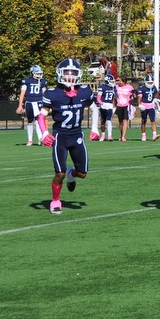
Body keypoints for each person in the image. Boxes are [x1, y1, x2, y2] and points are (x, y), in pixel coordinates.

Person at [36, 59, 97, 214]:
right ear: (59, 74)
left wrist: (95, 128)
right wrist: (44, 133)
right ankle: (56, 200)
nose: (70, 77)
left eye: (73, 73)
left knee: (82, 173)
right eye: (66, 73)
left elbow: (95, 109)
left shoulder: (84, 91)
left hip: (77, 135)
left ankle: (72, 174)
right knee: (59, 173)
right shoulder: (52, 93)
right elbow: (41, 115)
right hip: (60, 137)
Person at [17, 65, 47, 145]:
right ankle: (30, 140)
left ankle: (40, 138)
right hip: (29, 102)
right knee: (30, 121)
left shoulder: (43, 81)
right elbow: (22, 94)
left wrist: (47, 104)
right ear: (32, 73)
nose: (39, 75)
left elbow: (45, 94)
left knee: (38, 119)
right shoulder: (27, 81)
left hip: (39, 102)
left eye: (40, 73)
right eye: (37, 73)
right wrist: (20, 106)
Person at [136, 74, 160, 141]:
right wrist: (139, 104)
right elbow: (139, 97)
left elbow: (157, 93)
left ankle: (154, 135)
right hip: (144, 106)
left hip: (151, 105)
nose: (150, 84)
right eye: (149, 82)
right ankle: (143, 135)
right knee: (144, 121)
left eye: (151, 82)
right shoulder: (142, 88)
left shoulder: (154, 87)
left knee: (153, 120)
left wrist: (155, 98)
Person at [114, 75, 135, 141]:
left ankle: (123, 136)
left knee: (125, 120)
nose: (119, 82)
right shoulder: (116, 87)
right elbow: (114, 96)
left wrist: (133, 97)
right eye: (118, 81)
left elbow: (133, 94)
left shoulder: (129, 87)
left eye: (120, 81)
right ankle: (121, 135)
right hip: (119, 105)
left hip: (126, 105)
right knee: (120, 122)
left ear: (124, 81)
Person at [96, 73, 116, 141]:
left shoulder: (113, 88)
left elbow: (113, 98)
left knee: (109, 121)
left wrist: (114, 107)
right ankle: (103, 134)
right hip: (103, 106)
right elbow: (98, 98)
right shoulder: (102, 87)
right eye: (111, 81)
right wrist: (102, 103)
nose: (113, 83)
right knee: (102, 122)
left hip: (110, 106)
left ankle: (110, 136)